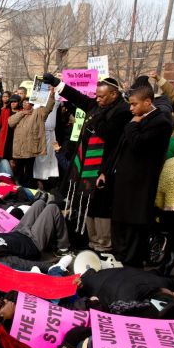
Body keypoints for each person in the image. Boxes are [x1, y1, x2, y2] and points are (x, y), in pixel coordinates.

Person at [43, 73, 133, 253]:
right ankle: (90, 241)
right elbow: (77, 97)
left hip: (103, 167)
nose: (97, 100)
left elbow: (106, 132)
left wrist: (92, 120)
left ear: (114, 95)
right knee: (86, 203)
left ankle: (103, 244)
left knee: (99, 207)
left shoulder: (122, 111)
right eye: (96, 96)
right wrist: (57, 82)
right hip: (85, 163)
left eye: (102, 96)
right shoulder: (97, 105)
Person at [102, 85, 172, 266]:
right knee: (119, 219)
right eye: (130, 104)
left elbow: (138, 143)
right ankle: (118, 256)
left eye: (134, 104)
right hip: (124, 180)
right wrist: (106, 171)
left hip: (141, 183)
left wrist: (133, 125)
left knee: (134, 223)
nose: (131, 108)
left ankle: (130, 260)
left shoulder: (161, 122)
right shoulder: (136, 118)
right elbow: (120, 148)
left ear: (148, 102)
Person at [8, 90, 56, 187]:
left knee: (29, 171)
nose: (25, 104)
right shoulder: (19, 114)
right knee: (19, 171)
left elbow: (48, 108)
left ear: (32, 103)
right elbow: (10, 122)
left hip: (30, 148)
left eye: (27, 102)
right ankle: (19, 187)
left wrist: (51, 95)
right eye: (24, 102)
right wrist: (22, 113)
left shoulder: (38, 113)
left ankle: (29, 189)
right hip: (19, 149)